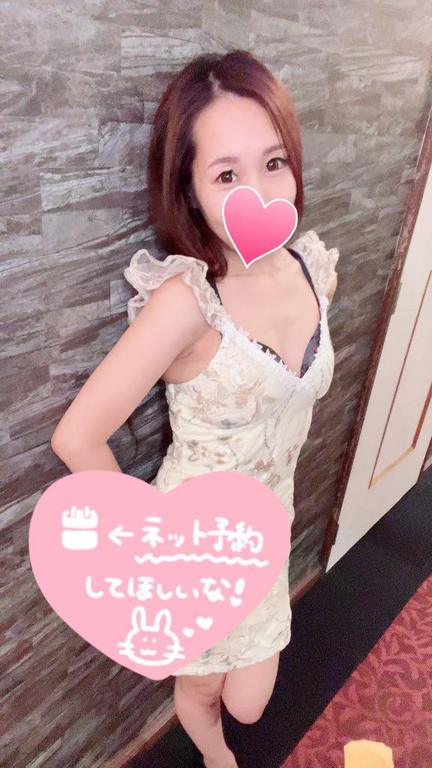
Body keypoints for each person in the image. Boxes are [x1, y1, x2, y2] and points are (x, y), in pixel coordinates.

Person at [51, 49, 339, 768]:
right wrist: (149, 549)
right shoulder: (188, 302)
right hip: (195, 545)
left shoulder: (312, 269)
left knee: (252, 701)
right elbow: (77, 437)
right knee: (209, 692)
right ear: (190, 188)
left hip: (270, 528)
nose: (259, 190)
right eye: (227, 174)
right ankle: (212, 752)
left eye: (274, 162)